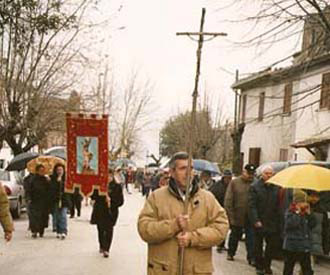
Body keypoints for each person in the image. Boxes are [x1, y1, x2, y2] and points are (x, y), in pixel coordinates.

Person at [137, 152, 229, 274]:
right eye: (182, 168)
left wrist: (193, 238)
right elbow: (144, 229)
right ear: (172, 172)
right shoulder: (156, 197)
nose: (188, 173)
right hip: (164, 269)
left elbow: (221, 228)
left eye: (190, 168)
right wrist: (173, 225)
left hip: (196, 270)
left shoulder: (207, 198)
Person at [248, 166, 280, 275]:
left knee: (271, 246)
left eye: (271, 174)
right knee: (258, 245)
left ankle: (267, 265)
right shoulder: (255, 187)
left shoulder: (276, 187)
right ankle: (259, 266)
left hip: (272, 221)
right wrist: (255, 219)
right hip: (260, 220)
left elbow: (278, 205)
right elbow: (251, 205)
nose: (269, 176)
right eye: (267, 173)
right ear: (262, 175)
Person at [224, 164, 256, 265]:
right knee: (235, 236)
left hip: (250, 216)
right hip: (237, 215)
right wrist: (231, 216)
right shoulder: (235, 183)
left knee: (251, 239)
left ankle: (251, 257)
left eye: (252, 174)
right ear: (243, 172)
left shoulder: (255, 183)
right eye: (248, 173)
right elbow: (228, 200)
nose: (250, 176)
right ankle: (231, 253)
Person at [91, 169, 124, 258]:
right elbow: (93, 196)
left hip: (111, 212)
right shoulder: (99, 186)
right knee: (100, 229)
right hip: (100, 210)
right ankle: (101, 245)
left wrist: (111, 201)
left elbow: (120, 201)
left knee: (109, 229)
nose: (108, 178)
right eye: (106, 176)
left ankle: (107, 249)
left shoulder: (117, 187)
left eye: (110, 176)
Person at [282, 189, 316, 275]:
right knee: (288, 268)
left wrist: (309, 214)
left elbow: (313, 224)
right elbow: (290, 224)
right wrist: (298, 212)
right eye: (302, 202)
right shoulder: (290, 211)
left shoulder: (307, 212)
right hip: (291, 245)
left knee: (307, 269)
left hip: (304, 245)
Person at [209, 169, 232, 253]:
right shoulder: (217, 186)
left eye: (229, 178)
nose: (228, 180)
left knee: (225, 227)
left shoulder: (231, 185)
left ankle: (222, 244)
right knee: (219, 226)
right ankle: (219, 244)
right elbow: (211, 195)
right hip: (218, 209)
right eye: (226, 178)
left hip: (228, 209)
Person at [25, 164, 51, 238]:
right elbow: (28, 190)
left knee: (43, 216)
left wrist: (49, 182)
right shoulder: (32, 180)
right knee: (34, 217)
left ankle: (41, 231)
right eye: (40, 170)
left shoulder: (46, 179)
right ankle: (34, 231)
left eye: (43, 171)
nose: (42, 172)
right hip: (34, 200)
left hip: (44, 201)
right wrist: (28, 198)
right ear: (37, 171)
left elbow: (50, 190)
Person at [50, 164, 71, 239]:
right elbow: (51, 189)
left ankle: (64, 231)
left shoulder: (67, 179)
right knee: (57, 216)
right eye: (58, 170)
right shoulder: (52, 179)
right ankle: (58, 231)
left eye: (61, 170)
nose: (59, 171)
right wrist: (57, 182)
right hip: (55, 200)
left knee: (63, 215)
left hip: (64, 200)